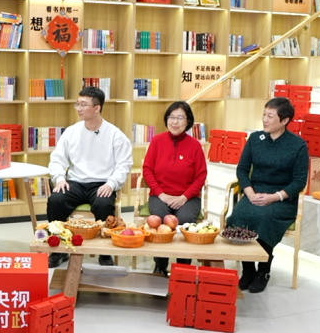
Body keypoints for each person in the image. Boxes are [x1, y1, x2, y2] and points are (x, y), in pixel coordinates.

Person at [226, 98, 310, 293]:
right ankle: (248, 269)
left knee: (264, 217)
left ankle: (263, 270)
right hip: (254, 193)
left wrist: (274, 197)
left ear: (284, 120)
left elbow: (299, 181)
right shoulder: (256, 139)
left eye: (270, 116)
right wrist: (249, 193)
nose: (265, 119)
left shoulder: (298, 145)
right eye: (264, 114)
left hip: (282, 198)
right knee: (240, 215)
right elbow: (242, 170)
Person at [46, 86, 133, 268]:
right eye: (77, 104)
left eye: (83, 105)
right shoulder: (72, 131)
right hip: (76, 182)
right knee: (56, 200)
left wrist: (111, 184)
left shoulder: (115, 134)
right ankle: (59, 249)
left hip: (102, 183)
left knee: (103, 204)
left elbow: (124, 165)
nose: (79, 108)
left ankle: (104, 252)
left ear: (97, 108)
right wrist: (60, 178)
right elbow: (57, 159)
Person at [142, 101, 208, 276]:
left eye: (180, 118)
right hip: (160, 195)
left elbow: (201, 176)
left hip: (188, 198)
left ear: (188, 121)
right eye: (171, 117)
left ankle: (183, 268)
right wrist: (161, 195)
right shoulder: (157, 141)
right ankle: (160, 265)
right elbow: (147, 170)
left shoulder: (195, 145)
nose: (175, 122)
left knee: (185, 220)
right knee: (159, 219)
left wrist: (184, 197)